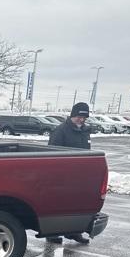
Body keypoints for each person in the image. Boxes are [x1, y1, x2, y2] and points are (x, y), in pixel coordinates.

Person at [46, 102, 92, 244]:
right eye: (78, 116)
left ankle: (74, 232)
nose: (81, 120)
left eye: (84, 117)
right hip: (62, 175)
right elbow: (52, 152)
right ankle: (51, 233)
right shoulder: (61, 130)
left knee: (76, 204)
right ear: (73, 115)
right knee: (57, 204)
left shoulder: (85, 131)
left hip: (79, 175)